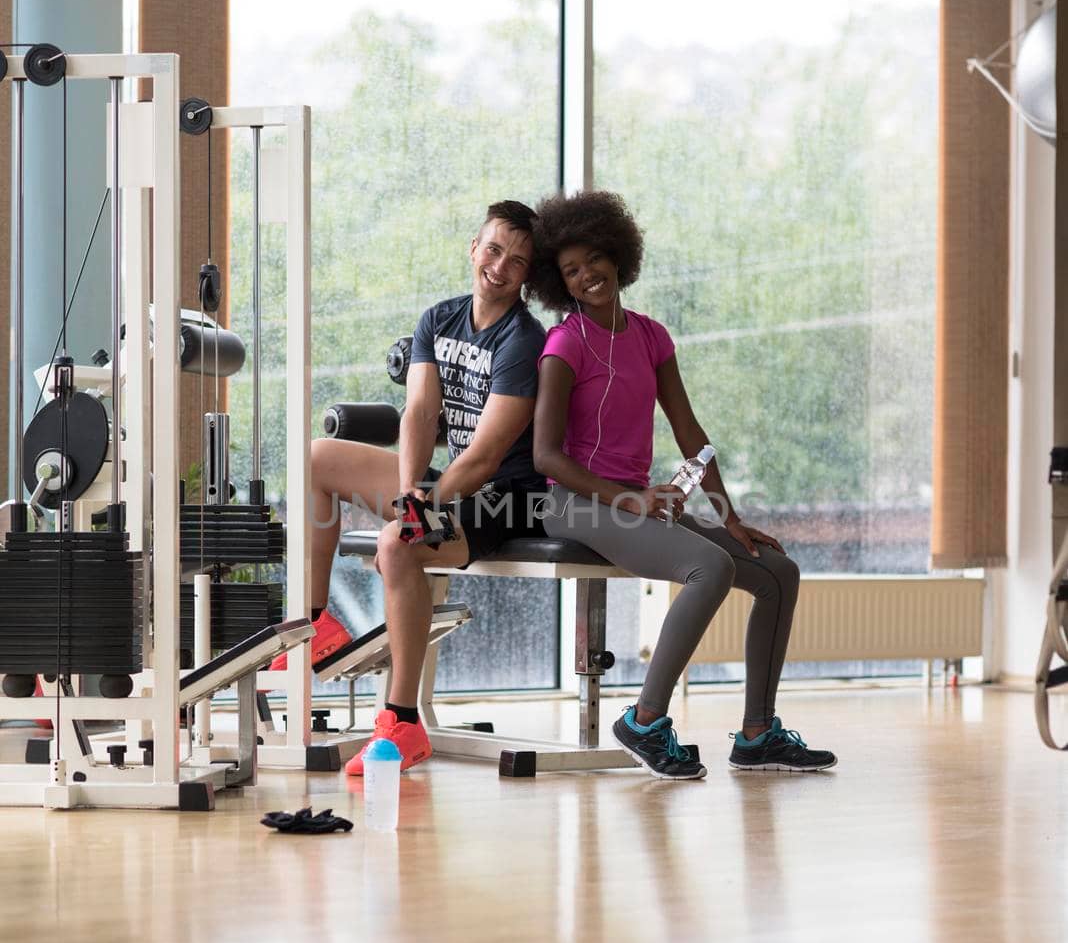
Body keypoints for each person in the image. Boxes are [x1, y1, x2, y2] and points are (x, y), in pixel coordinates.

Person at [529, 188, 836, 780]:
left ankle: (757, 735)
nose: (587, 274)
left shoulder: (650, 336)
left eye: (594, 259)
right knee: (710, 568)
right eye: (571, 270)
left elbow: (690, 429)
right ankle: (644, 721)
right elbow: (546, 455)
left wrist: (728, 516)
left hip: (633, 501)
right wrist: (633, 499)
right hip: (574, 503)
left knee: (777, 572)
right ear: (559, 284)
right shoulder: (563, 345)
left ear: (619, 256)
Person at [279, 200, 547, 774]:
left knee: (397, 543)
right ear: (473, 248)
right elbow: (421, 413)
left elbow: (487, 453)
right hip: (449, 483)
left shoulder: (524, 340)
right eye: (494, 250)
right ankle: (316, 619)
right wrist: (410, 492)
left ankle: (402, 723)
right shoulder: (439, 319)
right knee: (317, 458)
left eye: (517, 262)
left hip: (508, 496)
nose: (500, 268)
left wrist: (421, 507)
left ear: (527, 276)